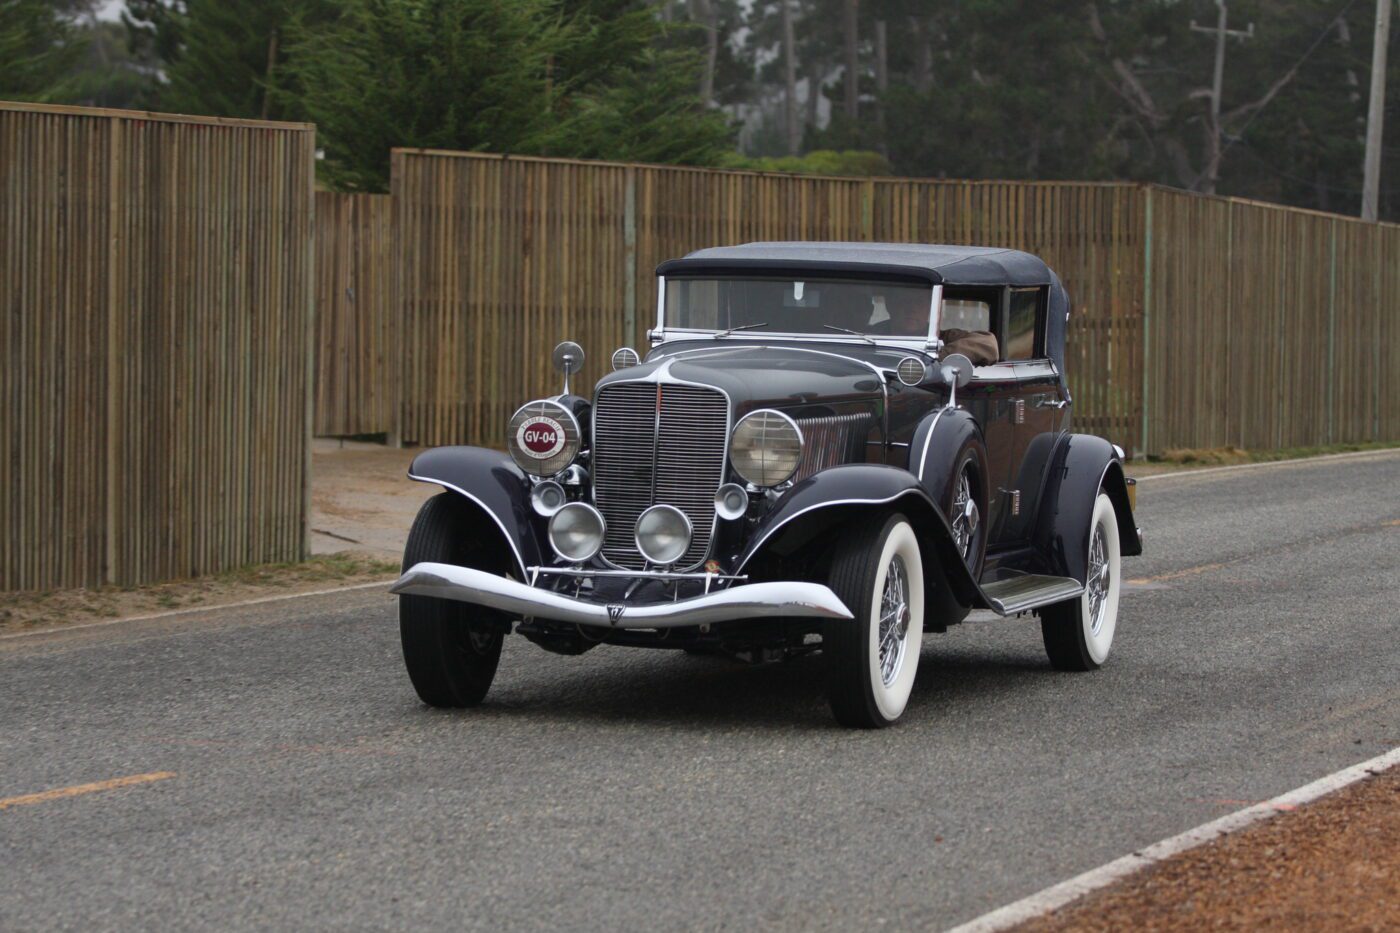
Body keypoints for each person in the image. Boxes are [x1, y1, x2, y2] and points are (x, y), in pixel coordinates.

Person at [881, 289, 999, 365]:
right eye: (905, 301)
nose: (912, 309)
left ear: (929, 309)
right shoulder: (870, 334)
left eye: (920, 303)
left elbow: (988, 344)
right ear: (890, 305)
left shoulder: (943, 338)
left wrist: (937, 357)